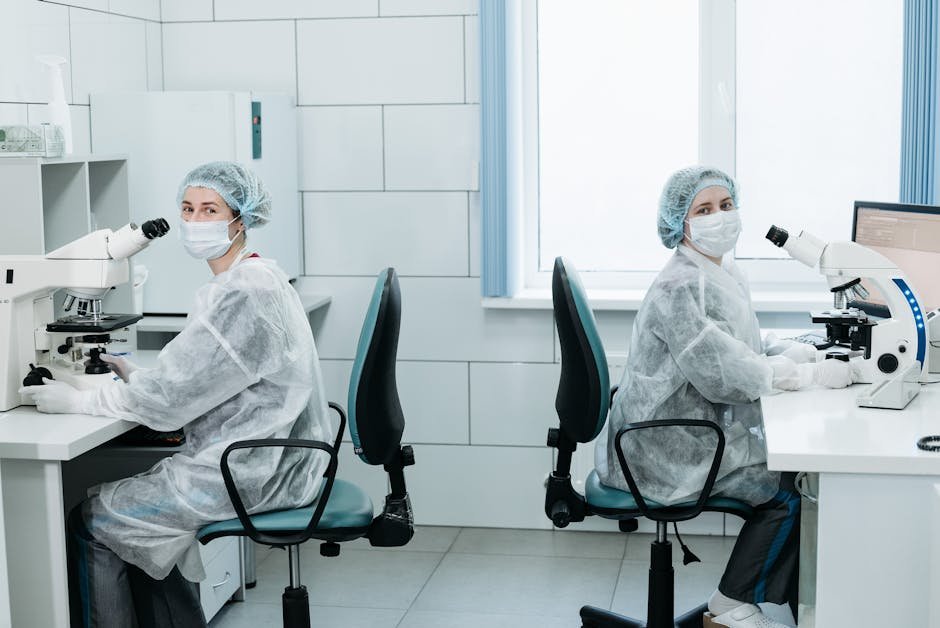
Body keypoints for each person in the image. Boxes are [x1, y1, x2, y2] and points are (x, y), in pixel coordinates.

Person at [20, 161, 334, 628]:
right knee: (145, 528)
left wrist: (81, 401)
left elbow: (166, 404)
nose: (195, 220)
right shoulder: (260, 276)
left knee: (95, 522)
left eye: (211, 209)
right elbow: (203, 376)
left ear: (240, 218)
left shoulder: (241, 293)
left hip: (251, 471)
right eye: (188, 208)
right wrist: (137, 376)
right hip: (279, 459)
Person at [595, 166, 858, 628]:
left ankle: (775, 602)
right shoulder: (683, 286)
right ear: (681, 222)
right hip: (666, 450)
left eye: (726, 205)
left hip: (691, 431)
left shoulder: (718, 270)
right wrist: (807, 374)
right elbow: (724, 376)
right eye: (704, 209)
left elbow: (737, 346)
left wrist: (789, 351)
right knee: (792, 491)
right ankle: (729, 606)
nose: (720, 217)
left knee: (797, 471)